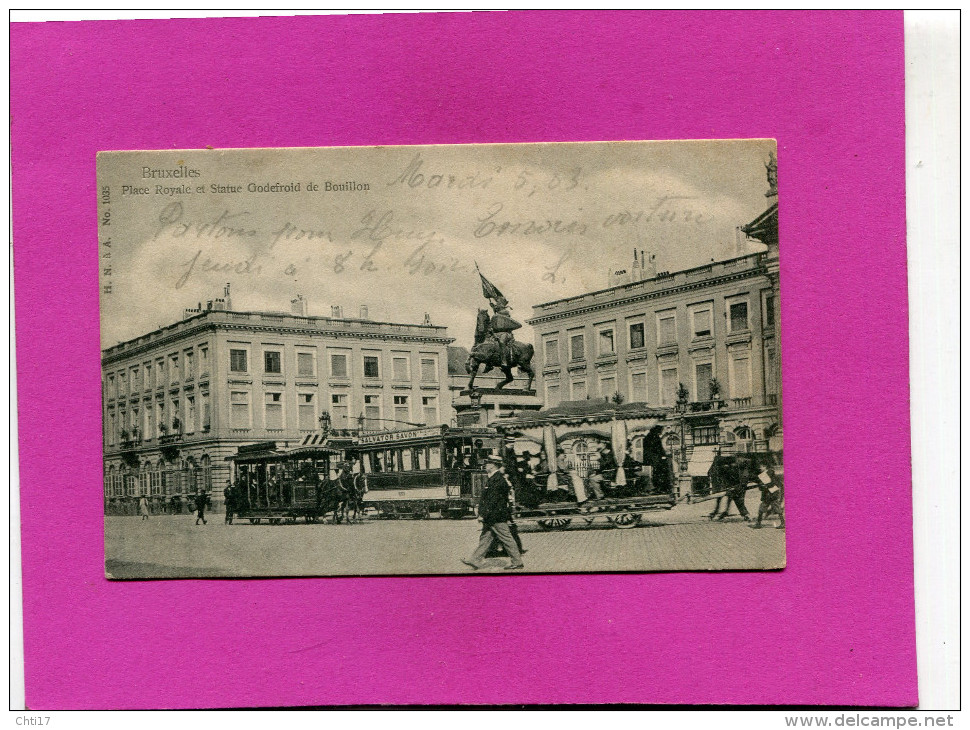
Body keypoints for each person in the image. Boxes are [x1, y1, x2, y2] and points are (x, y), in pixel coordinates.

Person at [462, 457, 524, 570]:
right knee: (486, 537)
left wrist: (483, 514)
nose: (485, 466)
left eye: (487, 464)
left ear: (492, 466)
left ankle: (517, 561)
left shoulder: (497, 480)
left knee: (506, 538)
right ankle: (475, 559)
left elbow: (492, 501)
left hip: (496, 516)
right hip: (494, 515)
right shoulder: (495, 478)